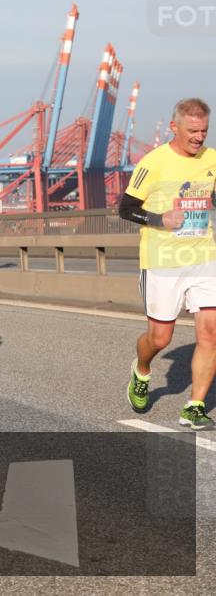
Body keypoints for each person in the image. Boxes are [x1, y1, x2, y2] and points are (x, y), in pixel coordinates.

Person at [119, 97, 214, 430]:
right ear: (174, 127)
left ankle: (194, 406)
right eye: (192, 131)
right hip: (163, 261)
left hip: (205, 258)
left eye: (204, 131)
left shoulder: (212, 159)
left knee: (211, 333)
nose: (199, 137)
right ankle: (141, 370)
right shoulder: (154, 162)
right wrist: (160, 219)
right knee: (160, 339)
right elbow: (126, 208)